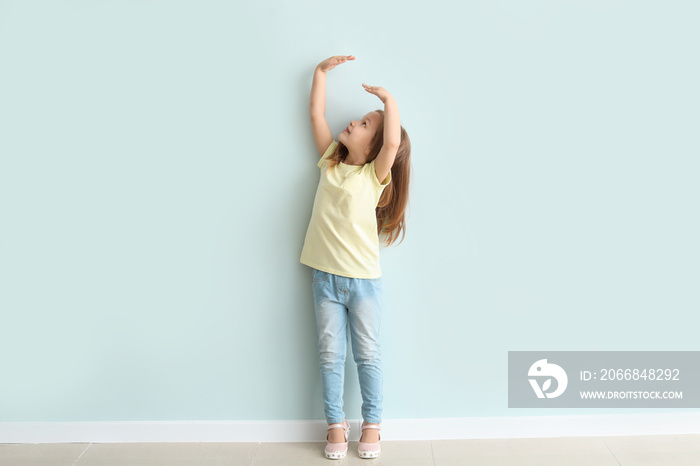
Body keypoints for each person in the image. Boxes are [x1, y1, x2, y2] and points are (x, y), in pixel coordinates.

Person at [299, 55, 411, 460]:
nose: (354, 123)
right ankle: (335, 424)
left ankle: (373, 426)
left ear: (375, 147)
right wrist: (320, 74)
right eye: (361, 119)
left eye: (366, 125)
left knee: (367, 354)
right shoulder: (330, 161)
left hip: (363, 283)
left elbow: (395, 142)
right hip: (324, 280)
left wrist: (388, 100)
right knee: (330, 355)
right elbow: (315, 113)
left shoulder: (373, 178)